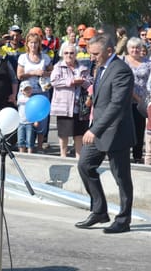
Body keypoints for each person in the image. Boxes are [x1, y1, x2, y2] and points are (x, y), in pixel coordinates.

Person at [75, 34, 135, 234]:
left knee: (121, 178)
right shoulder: (101, 67)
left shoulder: (121, 71)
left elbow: (116, 105)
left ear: (109, 51)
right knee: (85, 165)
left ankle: (123, 220)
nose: (92, 57)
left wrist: (95, 129)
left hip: (116, 132)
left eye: (95, 53)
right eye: (90, 53)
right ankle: (99, 210)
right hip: (99, 129)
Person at [50, 45, 92, 158]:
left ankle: (79, 157)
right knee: (63, 133)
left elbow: (90, 83)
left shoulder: (83, 67)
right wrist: (72, 81)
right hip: (64, 105)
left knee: (79, 133)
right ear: (62, 54)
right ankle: (63, 155)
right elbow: (54, 81)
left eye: (72, 53)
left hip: (80, 105)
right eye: (66, 53)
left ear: (76, 54)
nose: (69, 55)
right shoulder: (58, 66)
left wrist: (82, 81)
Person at [17, 32, 53, 152]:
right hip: (27, 93)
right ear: (27, 44)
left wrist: (44, 73)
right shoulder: (23, 57)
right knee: (27, 120)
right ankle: (27, 146)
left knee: (42, 121)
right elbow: (19, 75)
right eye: (31, 42)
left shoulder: (45, 58)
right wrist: (33, 73)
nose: (33, 45)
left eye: (36, 42)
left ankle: (39, 146)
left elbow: (52, 72)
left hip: (42, 92)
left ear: (39, 44)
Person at [123, 37, 151, 164]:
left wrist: (143, 100)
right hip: (125, 101)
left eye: (137, 47)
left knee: (139, 129)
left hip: (142, 103)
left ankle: (137, 156)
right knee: (125, 127)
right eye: (132, 48)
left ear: (141, 49)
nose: (135, 50)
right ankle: (123, 154)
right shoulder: (122, 61)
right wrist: (136, 96)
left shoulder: (147, 62)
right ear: (128, 49)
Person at [17, 81, 36, 153]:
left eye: (29, 89)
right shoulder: (20, 98)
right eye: (26, 89)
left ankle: (29, 153)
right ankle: (21, 153)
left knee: (29, 140)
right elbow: (17, 105)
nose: (28, 91)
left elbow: (35, 111)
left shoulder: (33, 100)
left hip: (29, 122)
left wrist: (36, 120)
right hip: (20, 122)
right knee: (20, 140)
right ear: (22, 91)